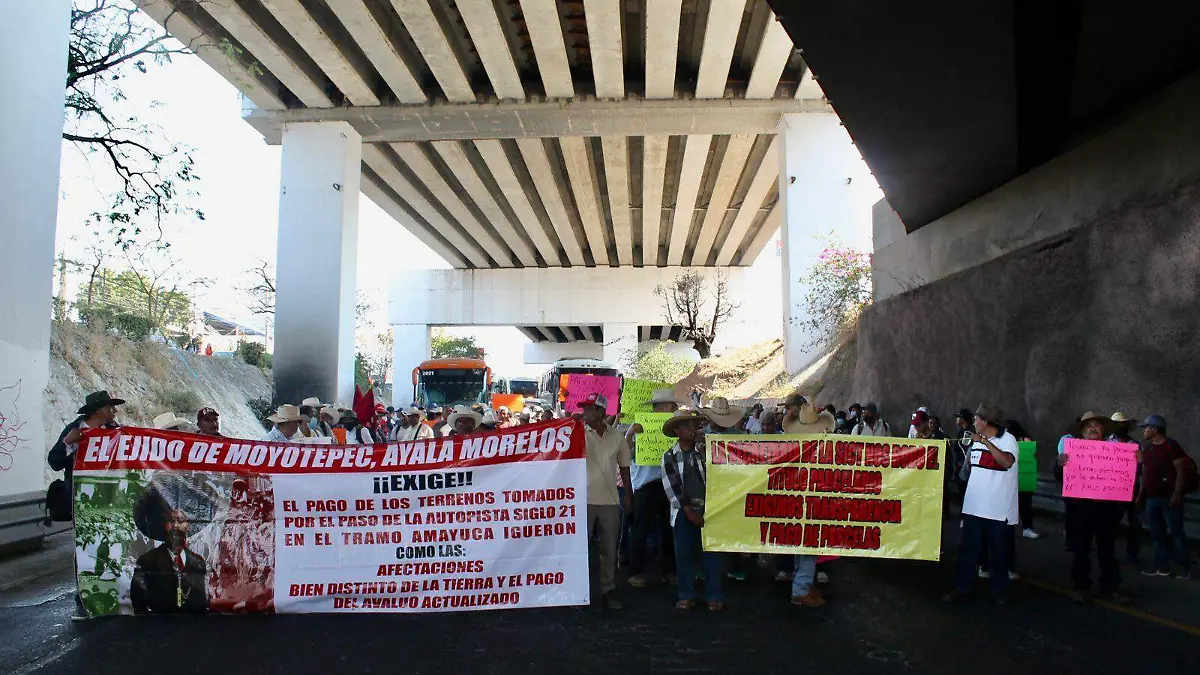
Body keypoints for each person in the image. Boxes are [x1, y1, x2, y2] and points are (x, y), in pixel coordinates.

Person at [944, 404, 1019, 605]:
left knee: (998, 553)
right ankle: (962, 587)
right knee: (968, 551)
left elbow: (1006, 462)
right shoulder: (974, 442)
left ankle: (999, 591)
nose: (974, 422)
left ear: (986, 422)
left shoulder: (1008, 440)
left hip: (997, 510)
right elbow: (966, 472)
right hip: (974, 508)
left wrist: (984, 442)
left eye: (977, 419)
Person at [1059, 411, 1129, 603]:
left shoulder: (1115, 451)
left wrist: (1136, 461)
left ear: (1104, 431)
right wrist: (1059, 464)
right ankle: (1081, 587)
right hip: (1080, 510)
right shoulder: (1071, 451)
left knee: (1107, 551)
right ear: (1082, 431)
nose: (1093, 428)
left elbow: (1126, 476)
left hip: (1106, 511)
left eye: (1097, 426)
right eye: (1089, 426)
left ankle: (1111, 588)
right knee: (1081, 550)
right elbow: (1059, 477)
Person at [661, 408, 723, 611]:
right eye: (686, 426)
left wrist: (706, 450)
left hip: (709, 508)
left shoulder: (704, 452)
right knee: (684, 554)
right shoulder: (669, 456)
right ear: (677, 431)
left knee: (711, 555)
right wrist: (689, 511)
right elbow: (672, 488)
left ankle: (714, 596)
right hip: (683, 512)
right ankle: (686, 594)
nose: (692, 429)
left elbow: (717, 475)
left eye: (693, 425)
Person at [573, 393, 631, 609]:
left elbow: (625, 467)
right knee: (581, 549)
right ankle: (579, 592)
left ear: (600, 412)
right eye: (585, 408)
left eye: (590, 408)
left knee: (608, 548)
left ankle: (608, 590)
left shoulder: (617, 437)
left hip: (610, 500)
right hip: (582, 501)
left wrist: (628, 495)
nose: (585, 412)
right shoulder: (576, 432)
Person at [780, 401, 836, 606]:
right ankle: (801, 588)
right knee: (810, 543)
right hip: (808, 501)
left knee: (802, 544)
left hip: (799, 500)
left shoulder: (793, 445)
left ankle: (802, 582)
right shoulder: (815, 448)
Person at [626, 389, 679, 589]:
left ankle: (668, 571)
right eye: (672, 406)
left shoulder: (674, 427)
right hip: (646, 484)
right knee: (641, 529)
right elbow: (625, 451)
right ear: (661, 408)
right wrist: (631, 434)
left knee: (668, 529)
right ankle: (637, 572)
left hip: (669, 483)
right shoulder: (639, 426)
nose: (674, 409)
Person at [131, 484, 210, 614]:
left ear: (188, 526)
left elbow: (202, 602)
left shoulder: (198, 562)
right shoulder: (147, 561)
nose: (175, 526)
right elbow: (139, 605)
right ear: (163, 525)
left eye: (181, 520)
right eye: (170, 521)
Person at [48, 390, 125, 513]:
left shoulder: (115, 431)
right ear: (99, 410)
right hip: (79, 502)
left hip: (107, 500)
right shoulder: (74, 429)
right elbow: (54, 463)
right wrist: (67, 442)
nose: (115, 411)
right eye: (110, 407)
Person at [701, 397, 751, 582]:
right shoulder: (699, 436)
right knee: (704, 528)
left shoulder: (739, 437)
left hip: (732, 489)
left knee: (734, 528)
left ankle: (735, 565)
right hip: (707, 489)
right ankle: (703, 567)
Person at [1137, 414, 1191, 579]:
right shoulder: (1148, 448)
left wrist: (1177, 493)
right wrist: (1141, 494)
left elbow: (1182, 471)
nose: (1144, 431)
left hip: (1169, 498)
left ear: (1154, 429)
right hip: (1152, 499)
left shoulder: (1171, 446)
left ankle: (1185, 568)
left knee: (1176, 533)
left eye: (1146, 428)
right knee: (1157, 534)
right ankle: (1162, 566)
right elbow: (1145, 473)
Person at [1109, 412, 1141, 562]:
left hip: (1133, 490)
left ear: (1127, 427)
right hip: (1113, 492)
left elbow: (1140, 468)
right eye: (1117, 425)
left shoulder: (1135, 445)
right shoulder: (1105, 443)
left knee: (1134, 525)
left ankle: (1132, 554)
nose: (1120, 428)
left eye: (1122, 425)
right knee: (1111, 523)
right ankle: (1108, 552)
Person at [1006, 419, 1038, 540]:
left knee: (1024, 504)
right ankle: (1024, 528)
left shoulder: (1024, 440)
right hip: (1014, 478)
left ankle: (1027, 528)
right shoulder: (1008, 440)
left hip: (1023, 477)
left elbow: (1031, 456)